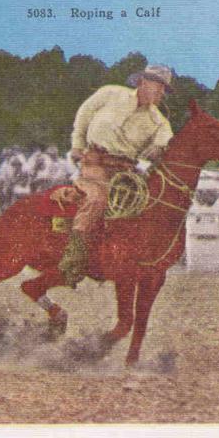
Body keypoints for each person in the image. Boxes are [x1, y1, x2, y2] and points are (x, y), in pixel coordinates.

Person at [59, 64, 175, 287]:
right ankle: (74, 258)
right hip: (95, 163)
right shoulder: (110, 93)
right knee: (97, 199)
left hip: (126, 173)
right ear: (142, 82)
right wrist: (77, 144)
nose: (161, 92)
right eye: (158, 86)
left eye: (164, 89)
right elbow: (84, 114)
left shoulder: (160, 122)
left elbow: (166, 142)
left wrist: (160, 148)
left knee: (144, 209)